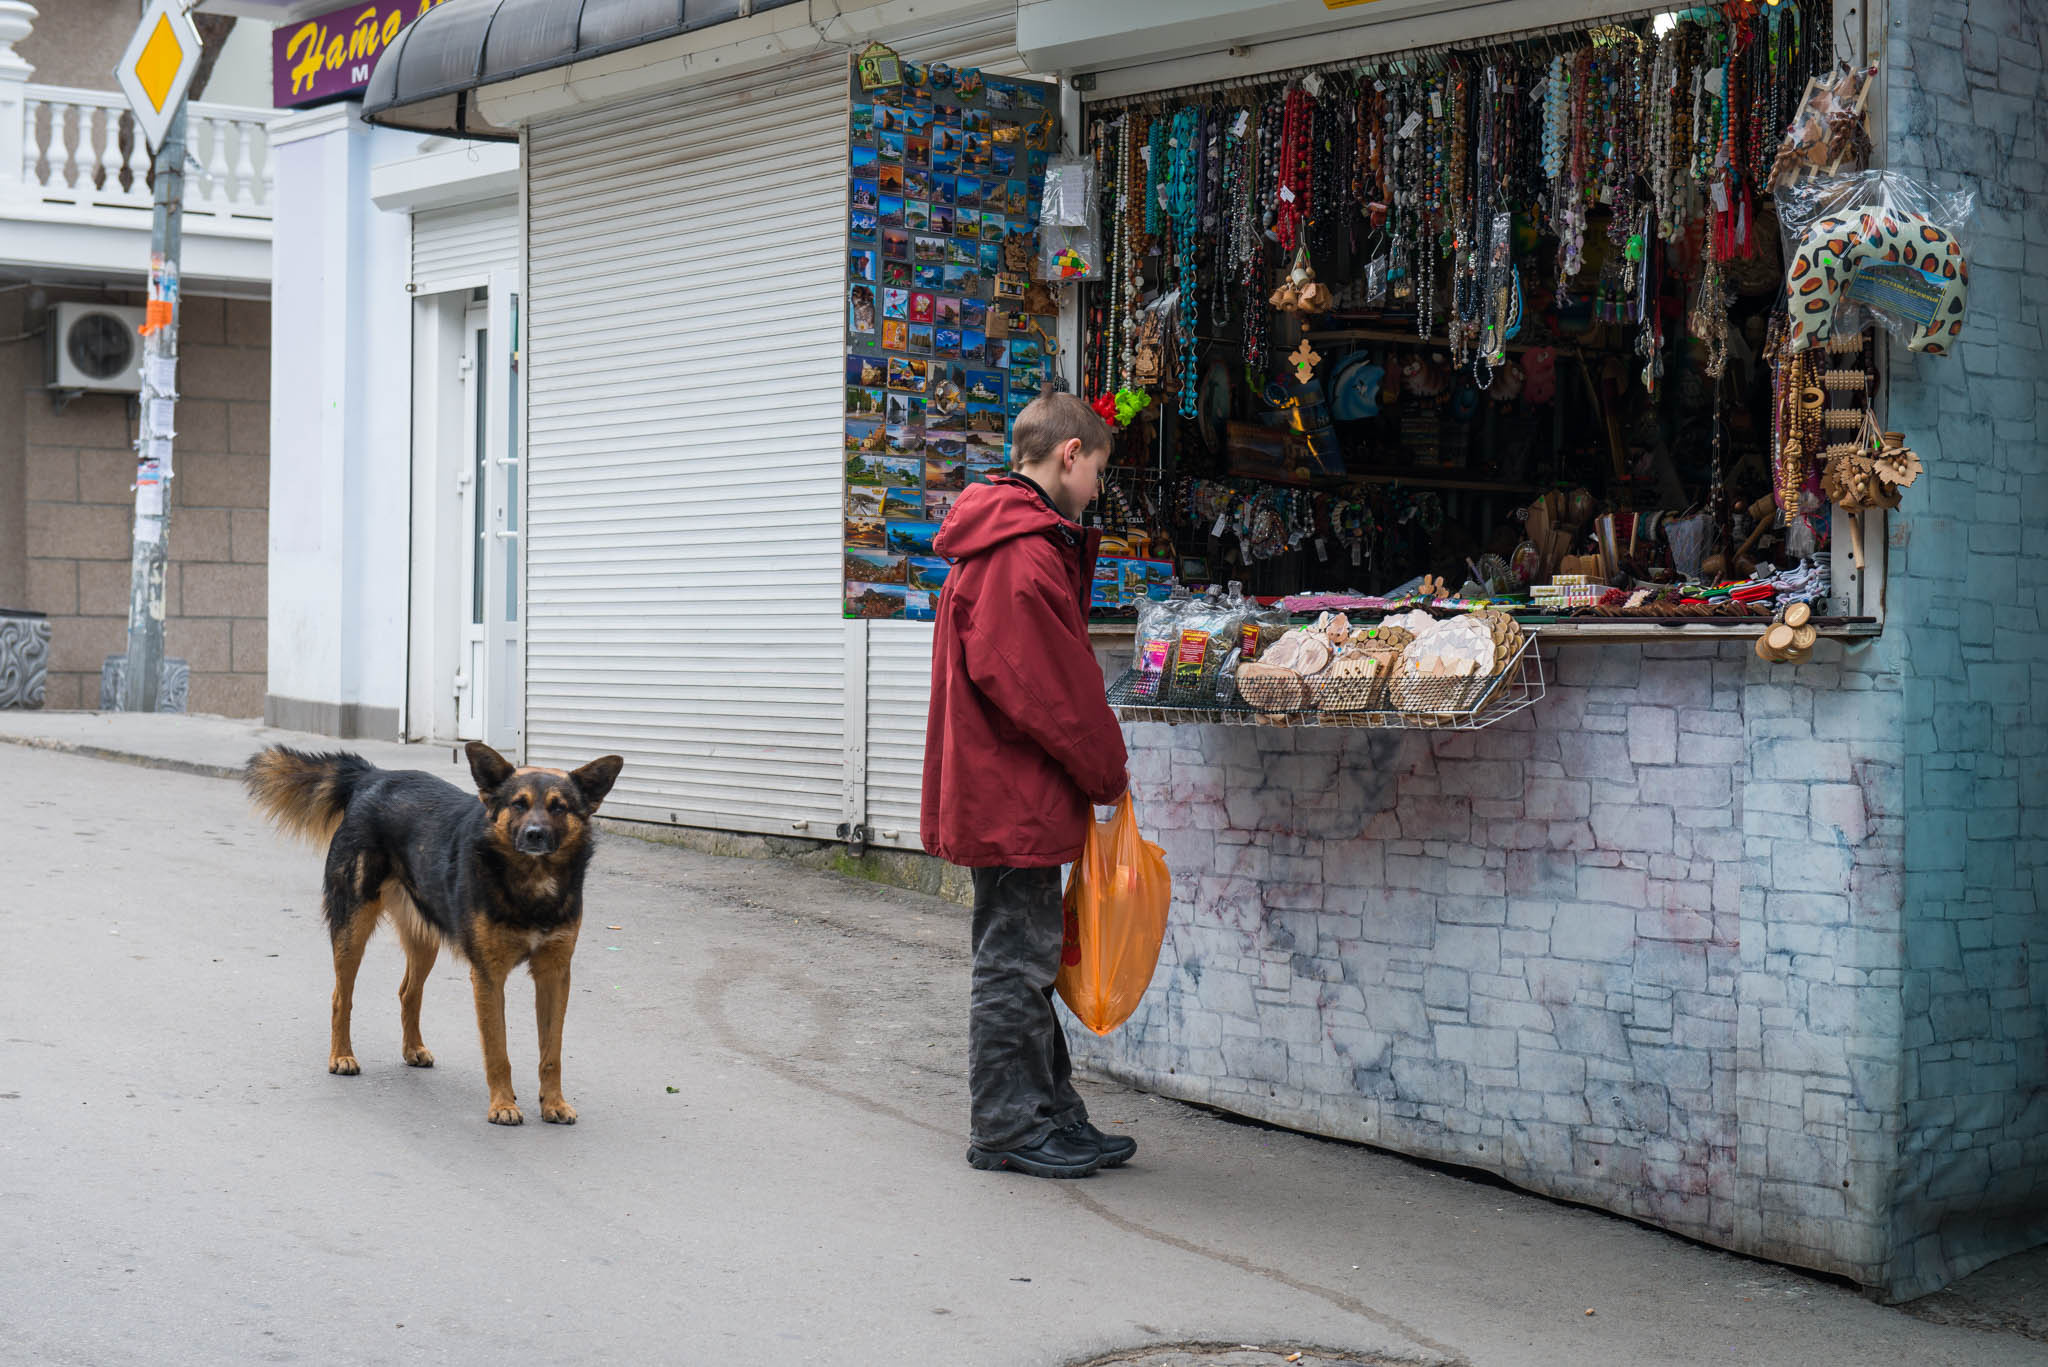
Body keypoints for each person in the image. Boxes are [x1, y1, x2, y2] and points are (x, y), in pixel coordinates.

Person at [922, 391, 1133, 1180]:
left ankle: (1049, 1113)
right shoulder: (1021, 552)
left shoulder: (1010, 538)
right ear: (1069, 455)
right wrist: (1107, 769)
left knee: (1026, 953)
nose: (1098, 491)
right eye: (1098, 471)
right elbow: (1048, 687)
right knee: (1016, 958)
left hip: (1006, 783)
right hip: (1013, 788)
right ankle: (1009, 1124)